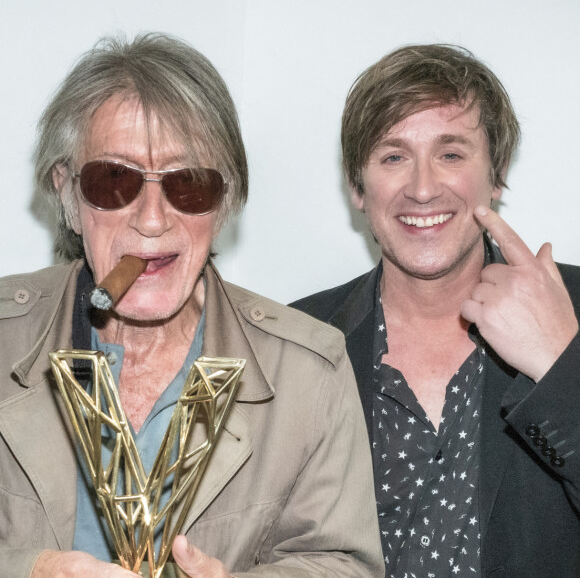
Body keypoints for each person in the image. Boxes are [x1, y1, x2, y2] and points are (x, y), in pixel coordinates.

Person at [0, 33, 384, 578]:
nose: (152, 219)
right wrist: (33, 571)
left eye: (190, 184)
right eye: (114, 180)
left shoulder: (308, 371)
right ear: (67, 191)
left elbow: (343, 565)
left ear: (224, 201)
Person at [292, 44, 580, 577]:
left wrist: (562, 365)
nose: (422, 189)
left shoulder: (574, 313)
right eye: (393, 156)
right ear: (358, 186)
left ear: (496, 175)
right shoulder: (298, 340)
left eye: (451, 154)